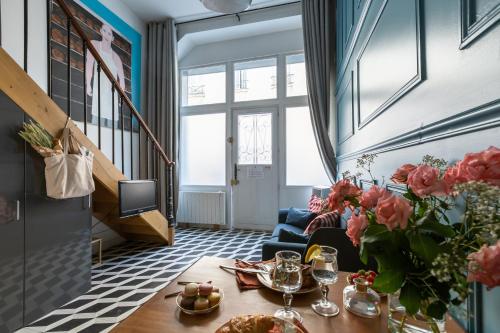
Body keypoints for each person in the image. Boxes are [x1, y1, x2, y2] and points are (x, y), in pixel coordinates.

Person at [86, 23, 125, 122]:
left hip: (112, 96)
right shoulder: (94, 44)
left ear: (112, 38)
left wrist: (121, 97)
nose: (106, 35)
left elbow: (122, 80)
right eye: (104, 31)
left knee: (112, 125)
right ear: (100, 31)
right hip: (99, 92)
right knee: (96, 121)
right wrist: (88, 84)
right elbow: (89, 65)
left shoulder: (116, 57)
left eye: (109, 33)